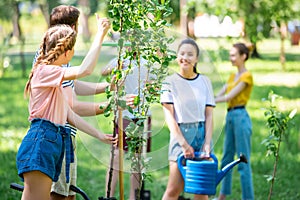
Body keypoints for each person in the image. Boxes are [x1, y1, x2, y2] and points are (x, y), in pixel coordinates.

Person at [16, 20, 116, 200]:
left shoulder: (55, 79)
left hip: (52, 141)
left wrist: (99, 135)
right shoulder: (44, 71)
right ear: (68, 52)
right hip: (41, 140)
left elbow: (69, 115)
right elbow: (85, 70)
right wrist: (100, 34)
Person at [160, 38, 215, 200]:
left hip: (202, 133)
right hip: (180, 136)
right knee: (173, 190)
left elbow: (209, 114)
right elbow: (169, 116)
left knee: (201, 190)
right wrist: (184, 144)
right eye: (182, 53)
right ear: (177, 56)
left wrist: (207, 143)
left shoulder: (205, 81)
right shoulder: (169, 82)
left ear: (196, 59)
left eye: (190, 54)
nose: (185, 57)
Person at [101, 51, 153, 199]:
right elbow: (103, 71)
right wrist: (116, 68)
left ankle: (133, 197)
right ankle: (108, 195)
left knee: (137, 159)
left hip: (142, 115)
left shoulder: (147, 61)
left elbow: (154, 86)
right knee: (117, 156)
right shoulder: (121, 58)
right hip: (124, 114)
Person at [214, 43, 254, 200]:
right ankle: (222, 196)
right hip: (230, 117)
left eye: (233, 55)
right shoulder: (232, 76)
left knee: (243, 160)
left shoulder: (246, 76)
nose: (231, 58)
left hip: (240, 117)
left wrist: (211, 100)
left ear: (243, 56)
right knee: (226, 158)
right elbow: (220, 93)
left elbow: (229, 97)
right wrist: (210, 98)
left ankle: (248, 198)